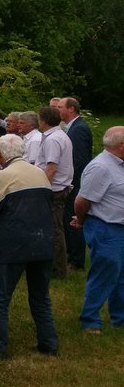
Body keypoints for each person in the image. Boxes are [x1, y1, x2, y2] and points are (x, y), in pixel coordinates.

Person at [0, 134, 59, 358]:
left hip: (13, 245)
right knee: (41, 297)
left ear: (0, 155)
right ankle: (48, 344)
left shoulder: (1, 177)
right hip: (44, 242)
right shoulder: (39, 172)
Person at [71, 127, 124, 333]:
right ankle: (90, 319)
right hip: (105, 228)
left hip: (118, 228)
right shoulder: (100, 167)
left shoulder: (119, 165)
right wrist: (82, 220)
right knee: (104, 273)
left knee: (120, 276)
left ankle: (119, 319)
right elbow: (82, 201)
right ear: (120, 145)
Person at [38, 106, 73, 278]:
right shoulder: (58, 135)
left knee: (55, 229)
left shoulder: (53, 139)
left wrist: (41, 188)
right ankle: (53, 266)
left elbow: (51, 168)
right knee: (55, 228)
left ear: (43, 121)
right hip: (59, 187)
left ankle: (58, 270)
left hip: (54, 189)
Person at [59, 97, 93, 270]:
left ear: (71, 109)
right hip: (73, 181)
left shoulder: (78, 129)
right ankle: (71, 253)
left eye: (60, 107)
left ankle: (77, 260)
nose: (57, 110)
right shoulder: (72, 127)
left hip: (76, 182)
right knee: (68, 219)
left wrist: (68, 181)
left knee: (73, 219)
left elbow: (78, 160)